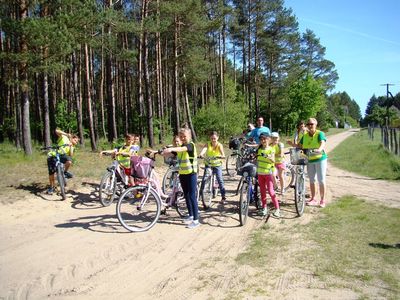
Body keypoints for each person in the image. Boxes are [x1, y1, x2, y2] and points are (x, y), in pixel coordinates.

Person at [162, 128, 199, 229]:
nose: (183, 138)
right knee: (186, 195)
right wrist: (157, 152)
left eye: (184, 136)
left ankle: (196, 220)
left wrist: (171, 149)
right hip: (183, 174)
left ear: (189, 136)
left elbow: (182, 149)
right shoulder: (181, 147)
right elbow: (172, 153)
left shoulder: (190, 145)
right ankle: (191, 215)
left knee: (192, 196)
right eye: (181, 136)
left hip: (191, 174)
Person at [299, 118, 328, 208]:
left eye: (312, 124)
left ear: (316, 124)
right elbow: (299, 146)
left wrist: (319, 149)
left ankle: (322, 200)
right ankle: (313, 198)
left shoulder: (320, 133)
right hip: (310, 160)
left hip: (320, 159)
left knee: (321, 180)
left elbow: (322, 143)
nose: (310, 126)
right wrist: (291, 145)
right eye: (308, 124)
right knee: (312, 180)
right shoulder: (305, 136)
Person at [47, 129, 79, 195]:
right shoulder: (64, 137)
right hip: (53, 155)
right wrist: (66, 134)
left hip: (62, 156)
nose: (76, 142)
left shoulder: (72, 146)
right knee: (51, 173)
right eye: (75, 140)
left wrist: (70, 146)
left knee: (69, 161)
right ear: (72, 138)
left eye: (77, 142)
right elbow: (56, 131)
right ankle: (51, 187)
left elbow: (71, 154)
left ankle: (65, 172)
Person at [198, 131, 227, 204]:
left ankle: (223, 197)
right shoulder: (208, 144)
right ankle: (200, 195)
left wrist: (221, 156)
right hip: (208, 163)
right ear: (210, 138)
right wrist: (201, 154)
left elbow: (223, 154)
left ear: (217, 138)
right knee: (204, 178)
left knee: (220, 179)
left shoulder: (219, 145)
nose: (213, 140)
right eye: (212, 138)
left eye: (214, 138)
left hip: (217, 165)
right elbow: (204, 149)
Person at [256, 133, 280, 218]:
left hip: (268, 173)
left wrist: (269, 157)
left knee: (270, 191)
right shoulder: (259, 149)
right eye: (261, 139)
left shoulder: (271, 149)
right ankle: (264, 208)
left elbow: (273, 160)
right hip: (260, 173)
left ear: (268, 139)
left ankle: (277, 209)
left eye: (265, 139)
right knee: (262, 191)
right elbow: (257, 159)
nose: (263, 141)